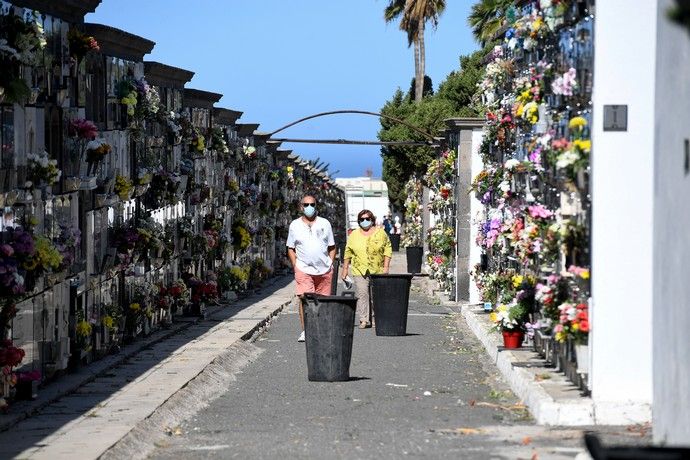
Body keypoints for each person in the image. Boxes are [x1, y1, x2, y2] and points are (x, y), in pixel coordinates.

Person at [286, 194, 336, 342]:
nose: (309, 208)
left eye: (312, 205)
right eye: (306, 205)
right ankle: (306, 330)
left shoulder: (325, 223)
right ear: (301, 207)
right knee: (305, 299)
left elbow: (332, 247)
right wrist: (296, 265)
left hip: (324, 270)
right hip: (303, 268)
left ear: (316, 206)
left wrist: (330, 263)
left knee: (322, 302)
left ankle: (320, 329)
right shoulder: (295, 225)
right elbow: (290, 247)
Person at [340, 209, 392, 329]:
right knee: (362, 293)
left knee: (375, 295)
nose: (365, 221)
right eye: (362, 219)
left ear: (372, 220)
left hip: (377, 269)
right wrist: (345, 269)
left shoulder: (381, 233)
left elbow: (387, 249)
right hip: (360, 269)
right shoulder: (354, 235)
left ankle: (375, 318)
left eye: (367, 219)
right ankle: (364, 319)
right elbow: (348, 252)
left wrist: (386, 266)